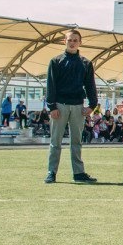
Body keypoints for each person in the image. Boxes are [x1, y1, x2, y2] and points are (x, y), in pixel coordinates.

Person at [44, 29, 100, 184]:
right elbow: (51, 85)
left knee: (76, 141)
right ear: (65, 41)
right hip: (59, 106)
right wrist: (52, 106)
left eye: (76, 40)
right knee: (56, 141)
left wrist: (92, 105)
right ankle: (51, 172)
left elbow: (90, 85)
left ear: (80, 42)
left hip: (78, 106)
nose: (72, 42)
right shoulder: (56, 61)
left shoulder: (86, 63)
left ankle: (78, 172)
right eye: (70, 40)